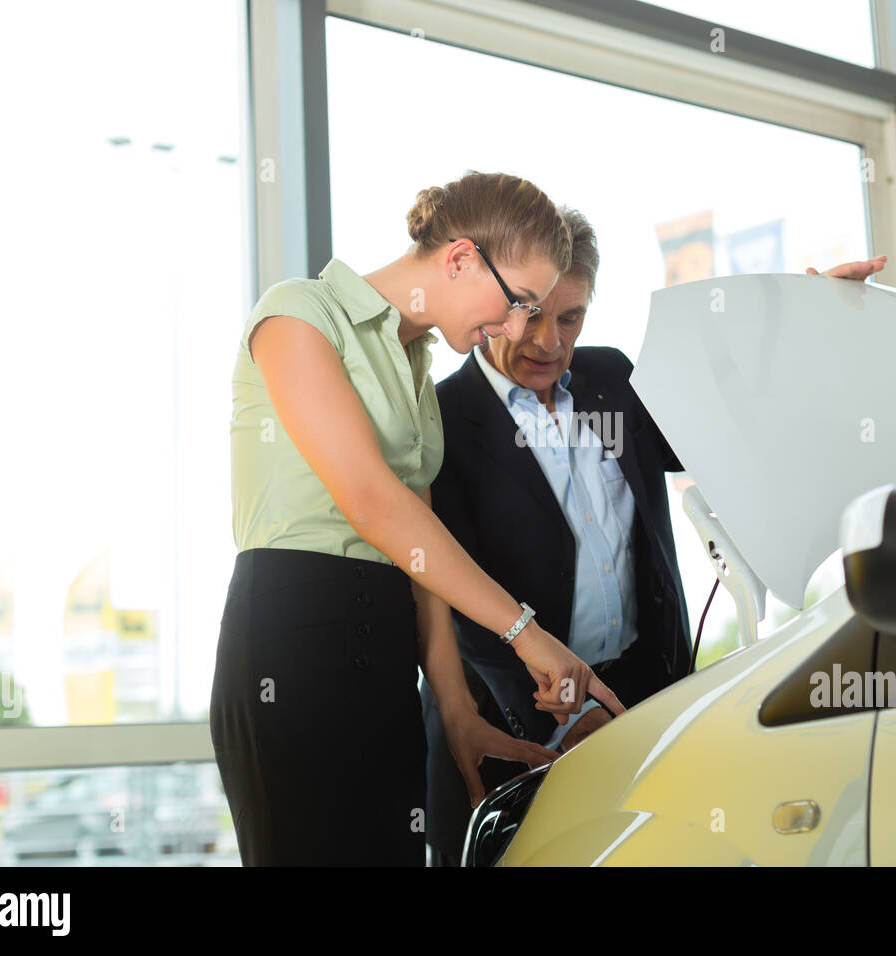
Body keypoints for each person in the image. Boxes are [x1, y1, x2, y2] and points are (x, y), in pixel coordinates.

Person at [420, 205, 888, 864]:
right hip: (507, 733)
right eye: (531, 313)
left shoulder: (611, 378)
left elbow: (725, 425)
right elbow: (449, 595)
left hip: (639, 708)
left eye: (571, 317)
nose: (550, 341)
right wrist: (561, 716)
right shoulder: (443, 417)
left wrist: (810, 329)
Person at [209, 171, 625, 866]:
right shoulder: (297, 316)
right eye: (519, 301)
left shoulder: (415, 371)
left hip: (387, 649)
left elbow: (419, 556)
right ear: (461, 259)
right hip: (291, 639)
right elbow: (374, 503)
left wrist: (455, 705)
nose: (519, 328)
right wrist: (525, 633)